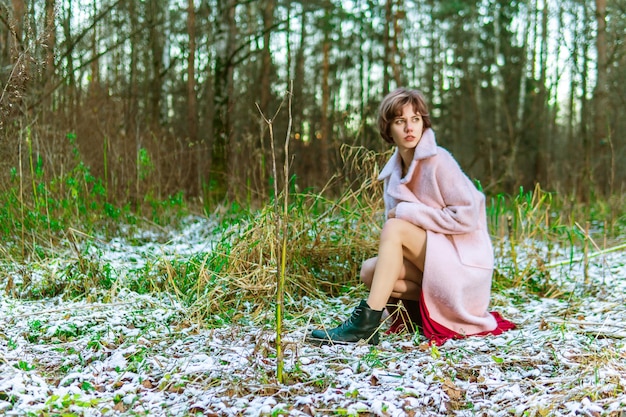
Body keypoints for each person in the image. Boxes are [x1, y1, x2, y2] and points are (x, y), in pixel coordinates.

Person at [308, 87, 515, 346]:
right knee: (370, 270)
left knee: (395, 226)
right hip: (436, 264)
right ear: (388, 129)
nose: (409, 128)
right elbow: (396, 250)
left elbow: (467, 217)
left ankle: (364, 326)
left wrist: (410, 212)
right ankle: (413, 312)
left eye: (415, 119)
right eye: (400, 121)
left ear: (423, 123)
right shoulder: (393, 175)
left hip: (464, 264)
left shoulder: (440, 160)